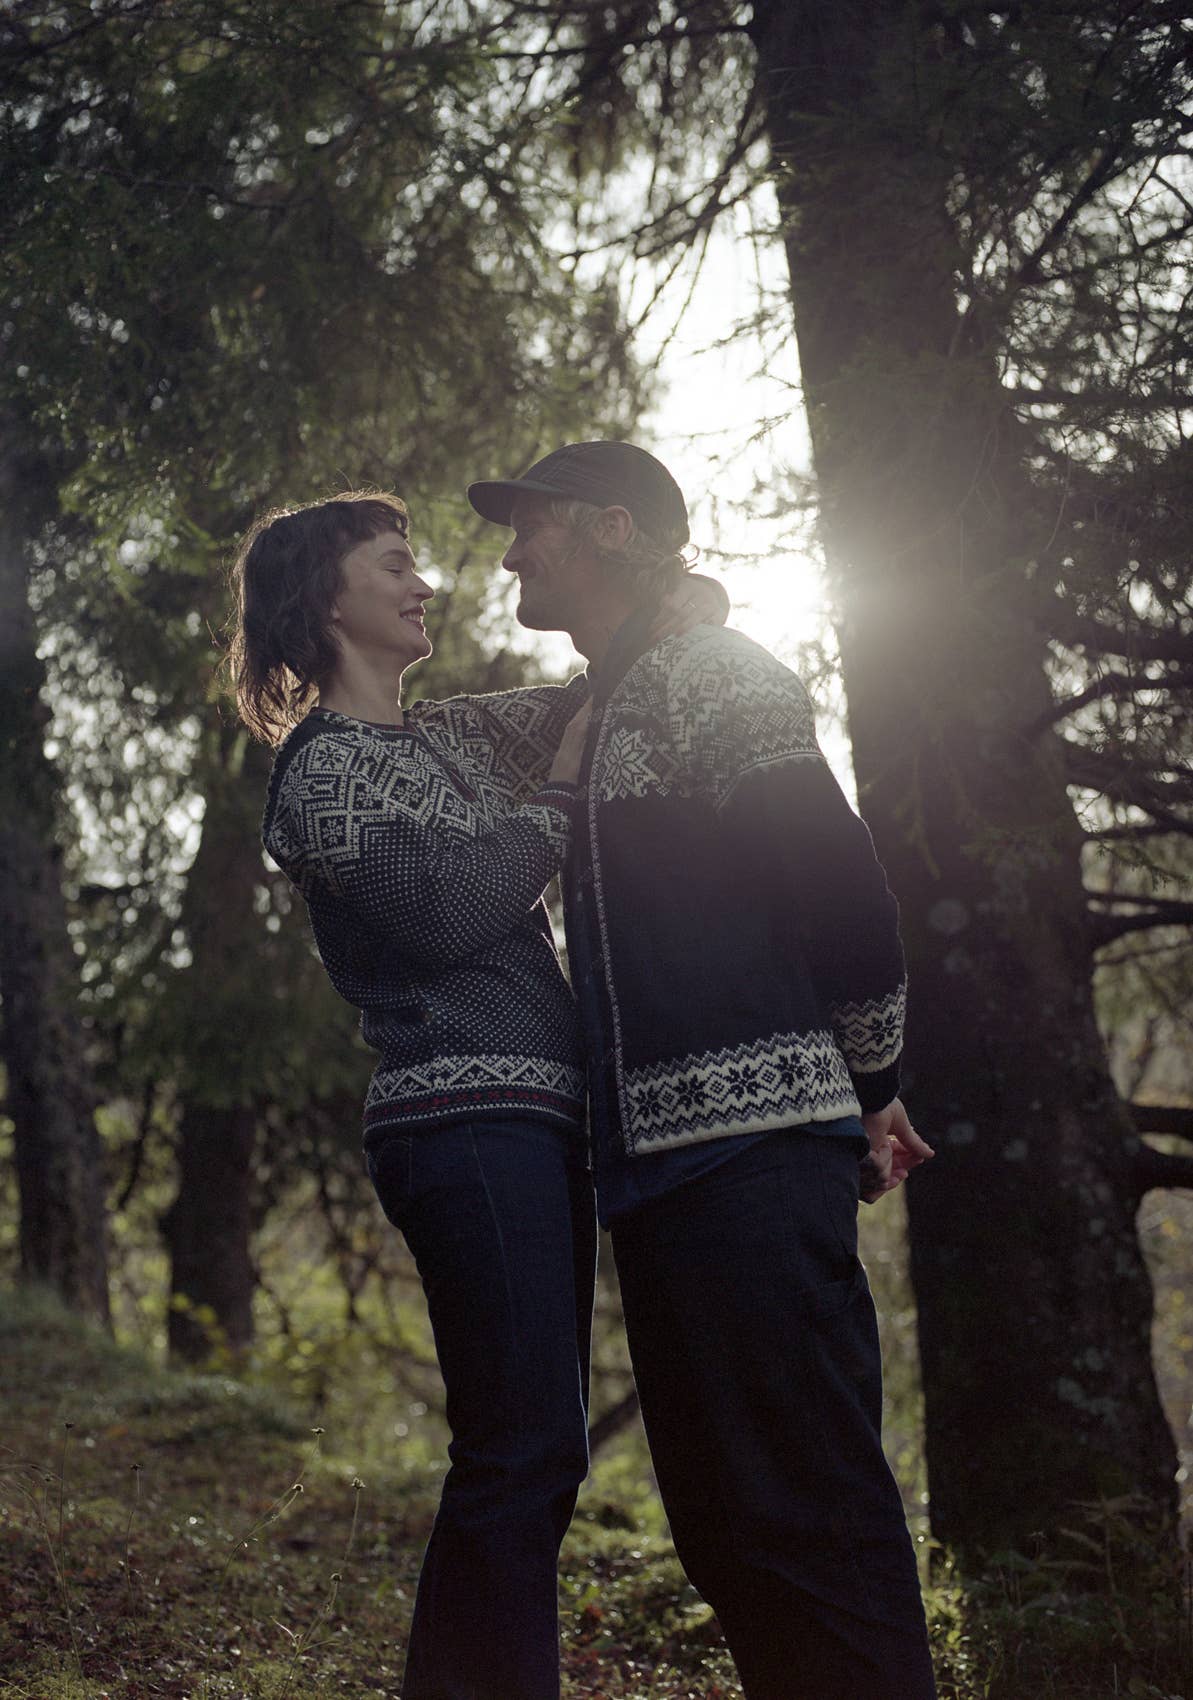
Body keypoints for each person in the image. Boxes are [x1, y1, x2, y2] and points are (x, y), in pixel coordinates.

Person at [227, 488, 726, 1700]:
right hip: (458, 1122)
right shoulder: (318, 774)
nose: (427, 582)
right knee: (518, 1450)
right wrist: (552, 802)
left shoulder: (453, 737)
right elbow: (448, 910)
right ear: (325, 596)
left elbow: (593, 695)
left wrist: (670, 595)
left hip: (534, 1125)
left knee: (534, 1452)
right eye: (394, 563)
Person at [467, 440, 939, 1700]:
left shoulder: (717, 674)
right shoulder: (599, 704)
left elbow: (843, 893)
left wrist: (871, 1083)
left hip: (754, 1167)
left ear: (610, 528)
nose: (509, 557)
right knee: (729, 1534)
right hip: (658, 1185)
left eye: (531, 527)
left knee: (812, 1518)